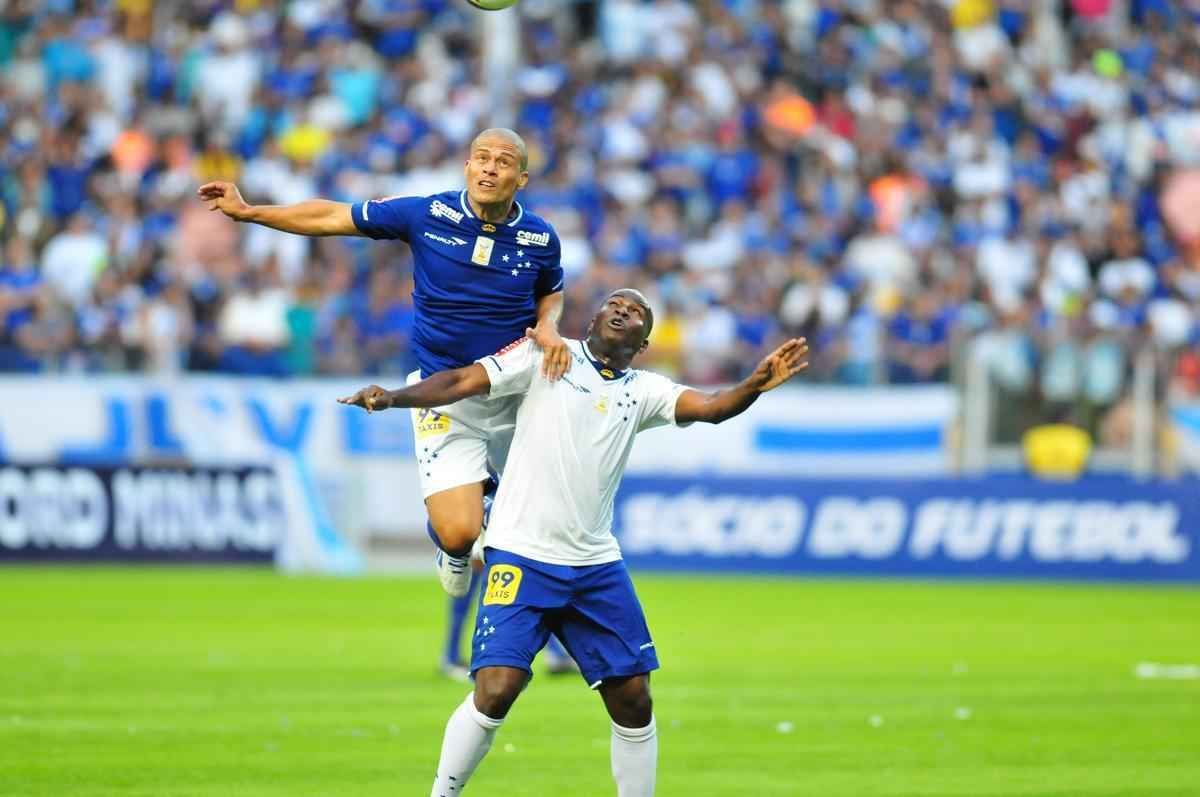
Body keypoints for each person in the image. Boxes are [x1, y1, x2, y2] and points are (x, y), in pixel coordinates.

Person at [339, 289, 808, 796]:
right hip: (521, 553)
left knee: (634, 698)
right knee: (496, 689)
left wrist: (754, 384)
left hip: (594, 565)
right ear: (592, 320)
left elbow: (712, 407)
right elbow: (460, 381)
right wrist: (393, 397)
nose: (623, 310)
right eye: (615, 304)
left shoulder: (644, 390)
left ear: (643, 344)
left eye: (636, 312)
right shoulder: (544, 355)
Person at [198, 128, 570, 596]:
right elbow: (333, 215)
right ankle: (455, 542)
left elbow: (551, 292)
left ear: (522, 178)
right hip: (442, 394)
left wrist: (549, 324)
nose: (490, 168)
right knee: (460, 534)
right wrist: (251, 212)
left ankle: (492, 504)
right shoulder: (427, 213)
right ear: (467, 167)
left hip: (513, 394)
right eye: (482, 158)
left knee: (542, 529)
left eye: (503, 161)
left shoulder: (540, 237)